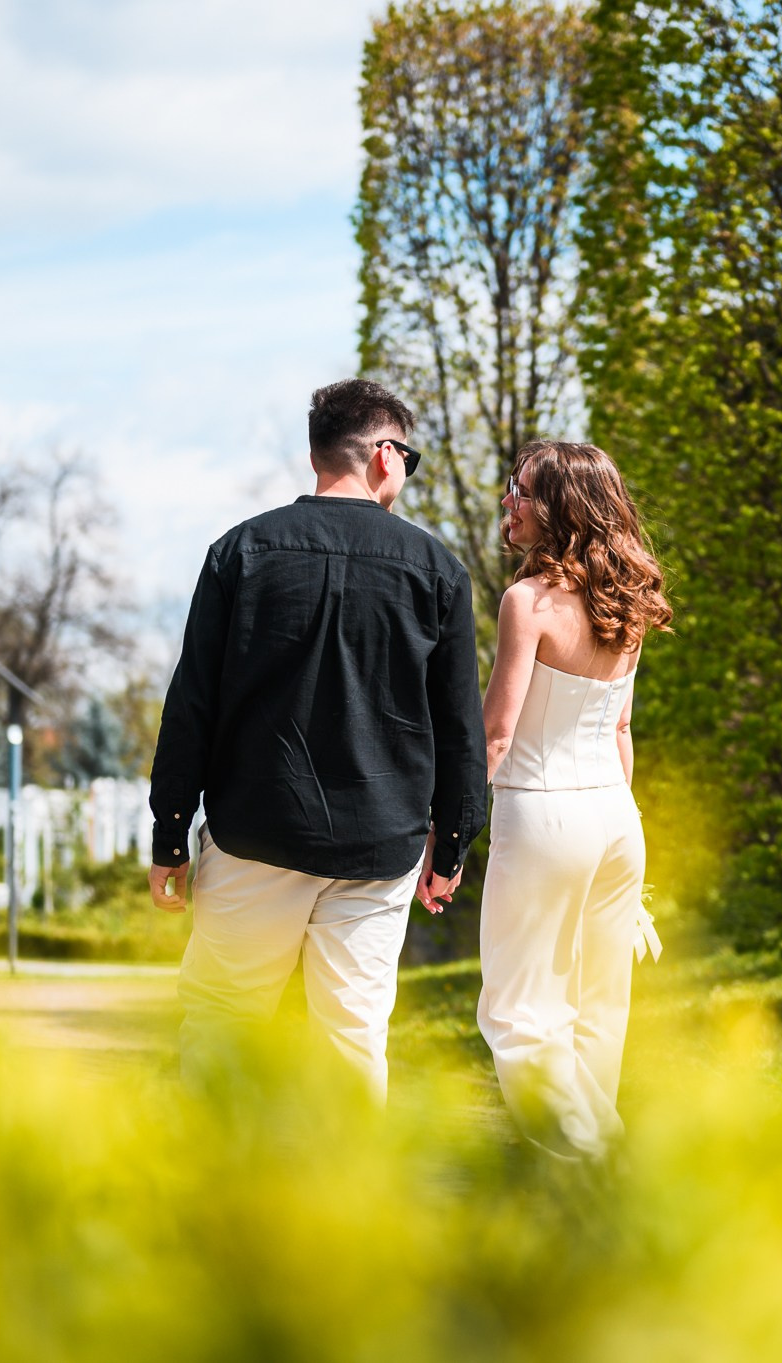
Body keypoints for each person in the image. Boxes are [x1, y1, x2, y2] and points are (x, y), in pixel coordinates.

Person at [147, 378, 487, 1103]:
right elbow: (460, 726)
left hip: (254, 834)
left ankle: (209, 1191)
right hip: (380, 843)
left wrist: (170, 834)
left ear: (318, 455)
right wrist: (451, 843)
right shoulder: (439, 573)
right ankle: (345, 1203)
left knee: (223, 1022)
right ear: (386, 456)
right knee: (353, 1035)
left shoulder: (240, 552)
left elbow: (192, 707)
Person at [477, 440, 673, 1160]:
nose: (509, 500)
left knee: (519, 1012)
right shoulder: (629, 603)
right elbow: (621, 729)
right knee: (598, 1009)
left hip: (543, 813)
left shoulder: (526, 603)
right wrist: (627, 839)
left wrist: (449, 829)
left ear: (560, 507)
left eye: (521, 489)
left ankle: (597, 1161)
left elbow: (497, 734)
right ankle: (590, 1177)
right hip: (617, 820)